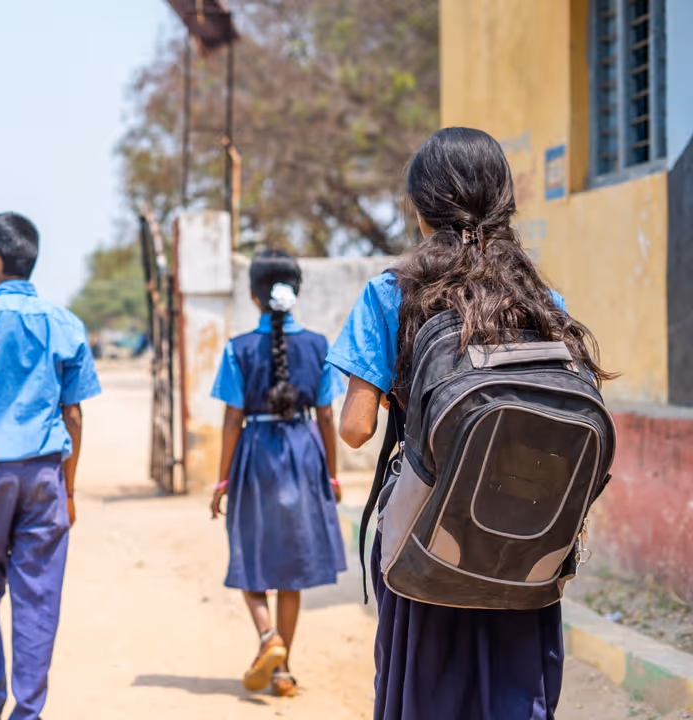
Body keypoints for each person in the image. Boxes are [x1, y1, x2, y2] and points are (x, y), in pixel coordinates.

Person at [327, 127, 612, 720]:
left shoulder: (392, 294)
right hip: (527, 538)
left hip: (427, 540)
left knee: (426, 695)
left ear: (421, 207)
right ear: (504, 202)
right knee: (516, 695)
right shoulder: (541, 299)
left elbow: (354, 428)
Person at [0, 212, 101, 720]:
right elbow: (73, 414)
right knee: (39, 594)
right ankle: (28, 712)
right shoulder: (65, 322)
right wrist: (69, 491)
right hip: (47, 476)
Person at [208, 250, 347, 697]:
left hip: (255, 455)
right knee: (291, 567)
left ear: (254, 295)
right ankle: (282, 670)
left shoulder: (238, 348)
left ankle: (268, 637)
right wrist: (332, 476)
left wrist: (222, 480)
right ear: (297, 292)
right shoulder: (319, 345)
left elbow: (232, 420)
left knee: (249, 556)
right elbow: (326, 416)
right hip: (305, 454)